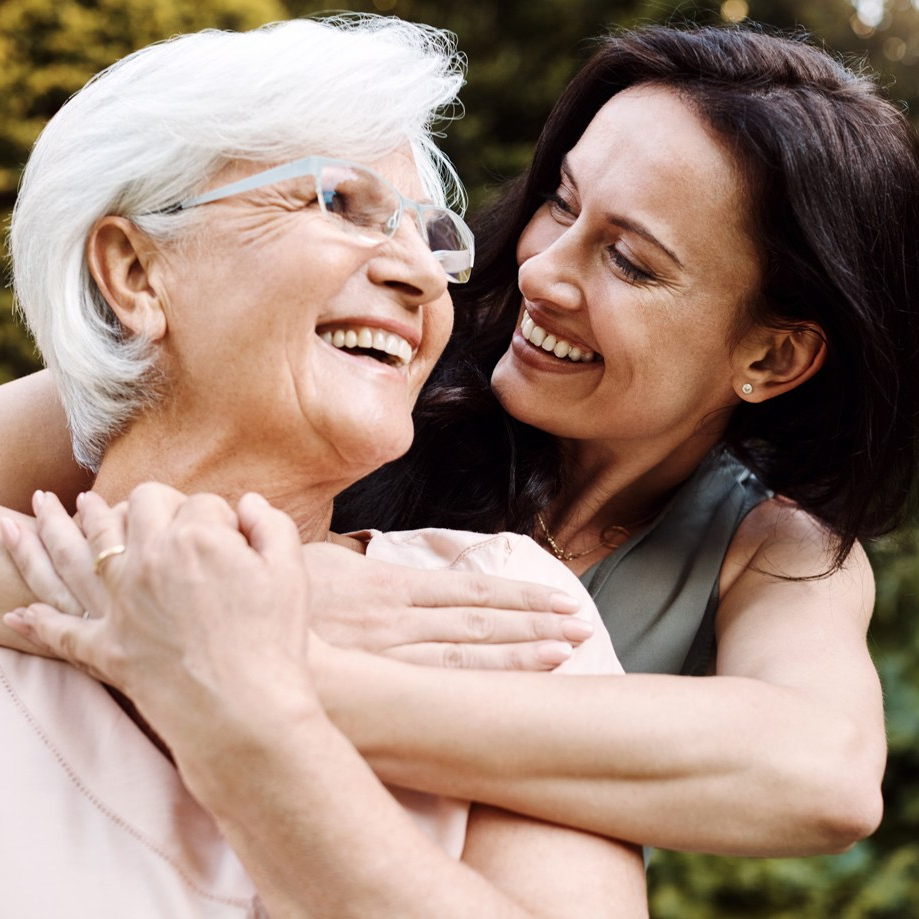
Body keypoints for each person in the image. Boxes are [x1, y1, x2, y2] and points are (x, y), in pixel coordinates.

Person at [3, 17, 919, 868]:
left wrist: (266, 662)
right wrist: (231, 584)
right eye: (561, 203)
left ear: (771, 354)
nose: (539, 269)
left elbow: (821, 775)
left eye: (631, 260)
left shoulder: (772, 552)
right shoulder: (357, 372)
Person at [0, 15, 650, 918]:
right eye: (338, 204)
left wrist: (244, 719)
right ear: (136, 272)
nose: (422, 276)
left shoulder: (500, 607)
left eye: (431, 235)